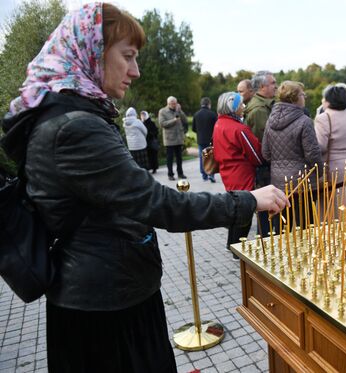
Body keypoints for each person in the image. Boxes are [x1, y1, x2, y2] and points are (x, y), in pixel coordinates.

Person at [0, 4, 288, 372]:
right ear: (92, 52)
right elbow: (159, 203)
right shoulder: (74, 128)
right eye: (128, 56)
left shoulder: (72, 116)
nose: (135, 71)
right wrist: (247, 201)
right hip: (107, 309)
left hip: (104, 294)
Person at [262, 81, 322, 230]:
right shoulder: (305, 121)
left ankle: (282, 253)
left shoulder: (270, 121)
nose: (305, 97)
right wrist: (319, 172)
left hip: (278, 182)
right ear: (295, 97)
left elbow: (265, 153)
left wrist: (280, 163)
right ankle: (307, 253)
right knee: (306, 225)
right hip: (303, 182)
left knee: (282, 227)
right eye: (303, 94)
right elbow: (313, 155)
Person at [213, 92, 264, 257]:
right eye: (241, 104)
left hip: (228, 173)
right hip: (242, 175)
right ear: (233, 108)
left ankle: (231, 244)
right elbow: (256, 155)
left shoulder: (219, 124)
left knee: (236, 208)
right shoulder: (239, 128)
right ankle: (237, 250)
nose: (244, 107)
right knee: (245, 212)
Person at [244, 71, 277, 236]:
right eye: (272, 83)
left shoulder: (265, 105)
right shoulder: (259, 110)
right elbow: (263, 143)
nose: (276, 86)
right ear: (263, 86)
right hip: (264, 167)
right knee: (266, 206)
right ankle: (267, 243)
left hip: (267, 165)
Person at [314, 84, 346, 183]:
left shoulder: (323, 117)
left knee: (331, 197)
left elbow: (321, 146)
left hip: (331, 165)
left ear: (329, 101)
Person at [159, 96, 187, 180]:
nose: (174, 105)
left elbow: (184, 120)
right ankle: (170, 174)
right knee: (170, 158)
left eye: (175, 103)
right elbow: (162, 124)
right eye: (173, 103)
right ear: (168, 103)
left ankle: (180, 173)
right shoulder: (162, 111)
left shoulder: (178, 110)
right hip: (169, 139)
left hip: (178, 138)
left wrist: (180, 111)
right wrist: (174, 120)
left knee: (179, 157)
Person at [192, 97, 217, 182]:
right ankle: (211, 174)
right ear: (209, 104)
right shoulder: (213, 114)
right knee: (211, 157)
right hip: (210, 139)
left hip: (201, 139)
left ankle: (204, 174)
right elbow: (216, 128)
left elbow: (193, 128)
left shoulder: (196, 114)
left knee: (202, 156)